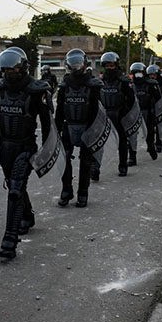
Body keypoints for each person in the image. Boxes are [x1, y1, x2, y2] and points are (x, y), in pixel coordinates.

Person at [0, 47, 51, 258]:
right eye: (6, 70)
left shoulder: (36, 90)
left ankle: (10, 240)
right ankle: (27, 215)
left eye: (13, 69)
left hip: (26, 146)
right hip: (4, 147)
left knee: (15, 188)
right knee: (15, 185)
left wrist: (46, 149)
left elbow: (47, 123)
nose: (10, 73)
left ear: (23, 68)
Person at [55, 49, 103, 208]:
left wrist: (93, 131)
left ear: (85, 64)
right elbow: (60, 109)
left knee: (86, 162)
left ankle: (83, 193)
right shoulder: (64, 85)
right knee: (65, 158)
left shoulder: (93, 85)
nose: (76, 67)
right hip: (69, 126)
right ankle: (66, 190)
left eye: (78, 64)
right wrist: (55, 129)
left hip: (87, 127)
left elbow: (97, 110)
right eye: (73, 64)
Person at [98, 51, 137, 177]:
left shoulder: (123, 81)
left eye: (111, 65)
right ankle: (95, 168)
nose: (109, 68)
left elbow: (131, 100)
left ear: (116, 65)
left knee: (122, 141)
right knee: (98, 143)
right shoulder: (100, 82)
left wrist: (124, 113)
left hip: (119, 114)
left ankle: (123, 166)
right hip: (104, 115)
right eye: (107, 66)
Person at [129, 62, 161, 164]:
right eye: (135, 73)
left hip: (148, 112)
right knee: (132, 135)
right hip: (134, 113)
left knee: (149, 133)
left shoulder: (150, 84)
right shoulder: (130, 85)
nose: (138, 76)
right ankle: (132, 157)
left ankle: (151, 148)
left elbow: (159, 99)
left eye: (139, 73)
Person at [146, 64, 162, 153]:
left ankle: (158, 144)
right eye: (150, 75)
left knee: (158, 128)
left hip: (159, 108)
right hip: (149, 108)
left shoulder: (161, 83)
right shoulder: (146, 84)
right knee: (149, 129)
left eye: (154, 75)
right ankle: (150, 145)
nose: (152, 77)